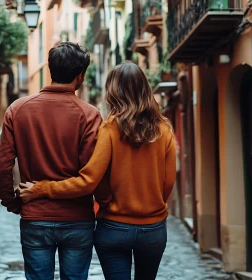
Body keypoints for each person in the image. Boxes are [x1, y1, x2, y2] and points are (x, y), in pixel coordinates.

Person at [20, 61, 177, 280]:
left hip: (114, 227)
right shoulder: (165, 130)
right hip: (153, 229)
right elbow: (168, 183)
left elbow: (88, 181)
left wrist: (42, 189)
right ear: (145, 89)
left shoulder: (110, 128)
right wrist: (149, 205)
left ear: (113, 91)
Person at [0, 42, 103, 280]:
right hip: (78, 219)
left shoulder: (17, 109)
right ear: (80, 75)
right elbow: (91, 173)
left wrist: (12, 203)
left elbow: (3, 166)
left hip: (36, 217)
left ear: (50, 69)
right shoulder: (90, 114)